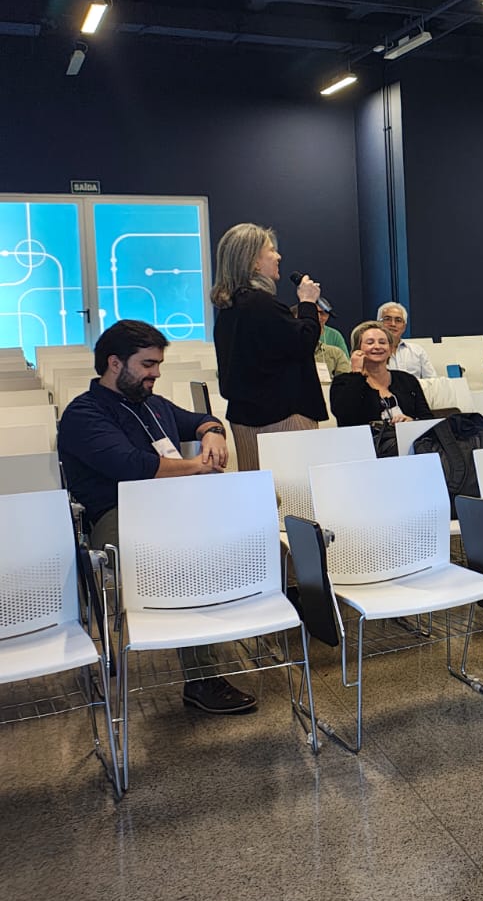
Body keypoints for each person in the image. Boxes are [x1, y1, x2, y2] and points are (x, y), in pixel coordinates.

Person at [58, 320, 255, 715]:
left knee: (261, 505)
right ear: (115, 363)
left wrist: (213, 431)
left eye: (158, 364)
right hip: (119, 515)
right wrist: (198, 466)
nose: (156, 373)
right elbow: (132, 466)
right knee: (186, 553)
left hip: (174, 505)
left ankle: (258, 607)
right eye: (148, 364)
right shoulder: (84, 413)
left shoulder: (152, 404)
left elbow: (198, 419)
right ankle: (202, 678)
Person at [211, 223, 327, 471]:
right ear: (253, 261)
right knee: (295, 490)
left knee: (258, 489)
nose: (278, 256)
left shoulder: (230, 309)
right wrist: (307, 302)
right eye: (271, 250)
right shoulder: (262, 305)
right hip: (283, 417)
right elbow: (304, 342)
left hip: (245, 418)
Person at [331, 321, 433, 429]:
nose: (377, 346)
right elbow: (345, 418)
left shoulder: (407, 380)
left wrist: (412, 422)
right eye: (370, 342)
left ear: (390, 349)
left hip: (408, 437)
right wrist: (356, 372)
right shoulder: (342, 382)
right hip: (365, 439)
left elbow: (427, 419)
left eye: (382, 342)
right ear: (357, 350)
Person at [377, 302, 437, 379]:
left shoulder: (417, 351)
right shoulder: (373, 351)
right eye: (387, 319)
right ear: (378, 324)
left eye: (398, 320)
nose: (393, 324)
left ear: (404, 327)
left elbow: (432, 380)